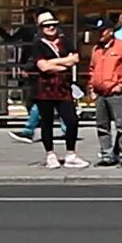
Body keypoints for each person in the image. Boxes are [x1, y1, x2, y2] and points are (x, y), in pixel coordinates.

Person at [20, 13, 82, 170]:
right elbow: (43, 67)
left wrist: (53, 62)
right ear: (41, 28)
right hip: (45, 89)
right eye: (47, 25)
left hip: (63, 88)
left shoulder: (64, 40)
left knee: (72, 120)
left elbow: (75, 59)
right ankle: (50, 154)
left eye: (53, 24)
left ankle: (71, 154)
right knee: (46, 122)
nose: (51, 27)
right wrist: (63, 63)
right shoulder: (37, 44)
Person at [87, 20, 122, 164]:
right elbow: (92, 69)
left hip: (116, 92)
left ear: (110, 31)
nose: (99, 34)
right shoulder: (96, 49)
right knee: (102, 126)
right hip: (100, 93)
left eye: (102, 31)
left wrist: (121, 85)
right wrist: (92, 88)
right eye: (97, 31)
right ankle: (107, 155)